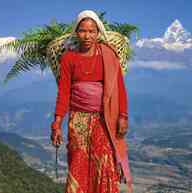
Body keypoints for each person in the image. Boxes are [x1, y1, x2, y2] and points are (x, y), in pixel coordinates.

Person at [50, 10, 133, 193]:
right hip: (78, 120)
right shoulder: (69, 59)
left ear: (98, 33)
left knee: (104, 162)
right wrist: (57, 122)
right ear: (76, 32)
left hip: (104, 119)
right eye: (82, 31)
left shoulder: (108, 56)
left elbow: (119, 88)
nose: (87, 36)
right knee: (78, 163)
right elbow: (63, 93)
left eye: (91, 31)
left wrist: (123, 116)